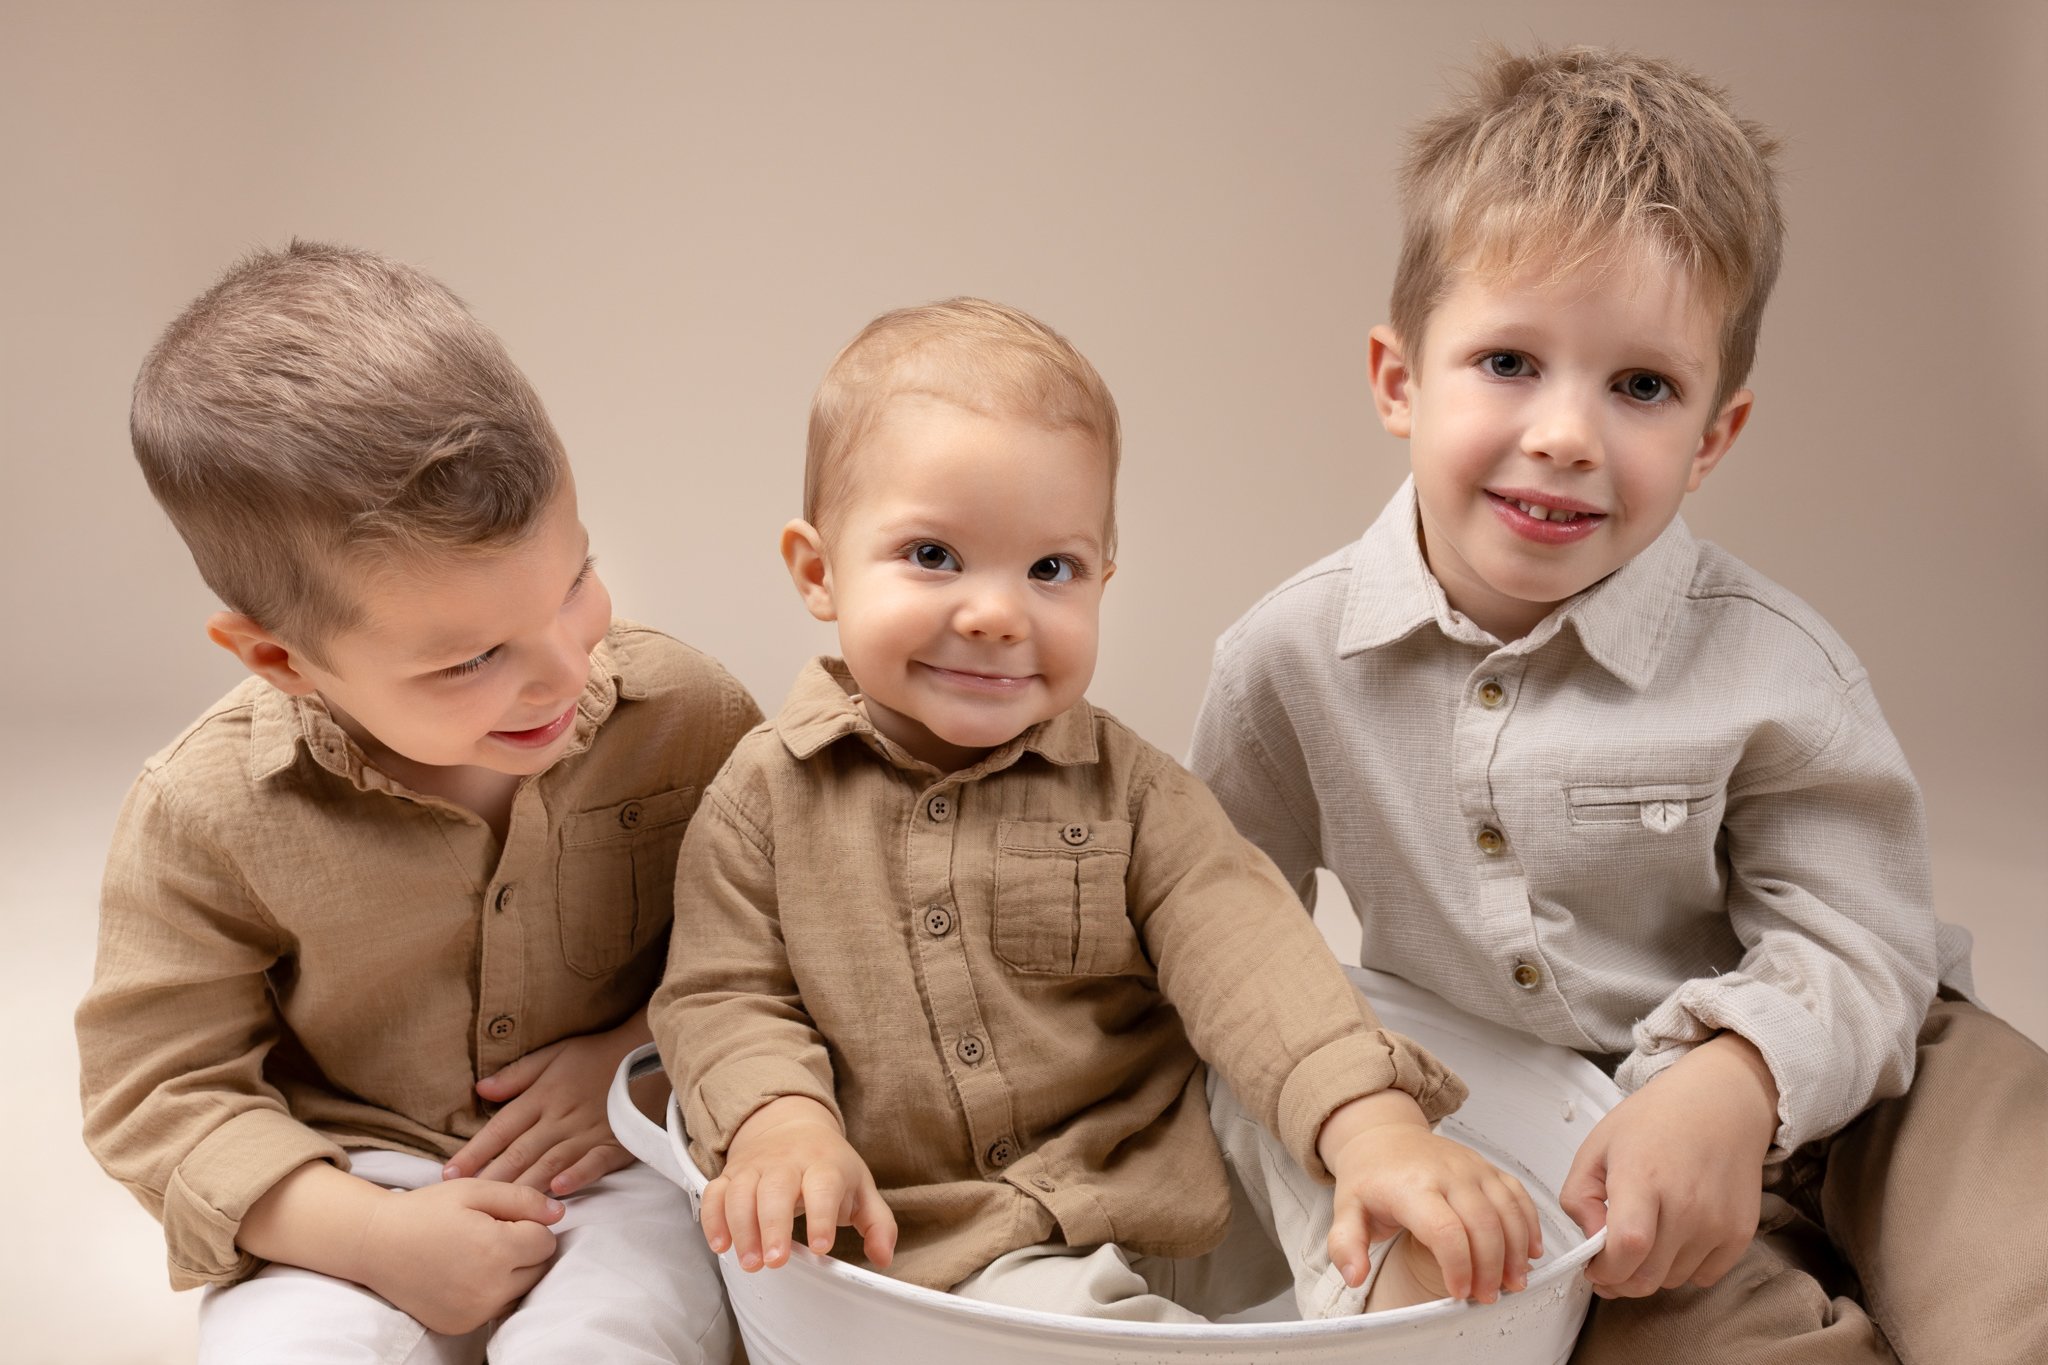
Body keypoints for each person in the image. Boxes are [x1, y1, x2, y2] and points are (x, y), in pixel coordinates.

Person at [1188, 45, 2048, 1362]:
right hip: (1576, 1142)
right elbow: (1230, 942)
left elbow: (1860, 936)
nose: (1569, 433)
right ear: (1399, 379)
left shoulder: (1770, 665)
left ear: (1713, 436)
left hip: (1880, 1068)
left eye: (1640, 386)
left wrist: (1741, 1075)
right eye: (1509, 362)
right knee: (1666, 1338)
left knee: (2016, 1270)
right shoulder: (1290, 658)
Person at [650, 297, 1543, 1324]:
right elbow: (723, 997)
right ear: (818, 571)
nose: (995, 613)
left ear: (1101, 581)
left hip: (1174, 1185)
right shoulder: (763, 803)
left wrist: (1372, 1126)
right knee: (1068, 1328)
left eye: (1050, 570)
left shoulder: (1131, 791)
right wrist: (781, 1126)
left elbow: (1247, 951)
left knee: (1273, 1100)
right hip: (951, 1243)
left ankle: (1393, 1281)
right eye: (932, 556)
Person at [76, 242, 757, 1363]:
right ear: (281, 660)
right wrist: (372, 1237)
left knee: (621, 1337)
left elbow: (777, 939)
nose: (560, 671)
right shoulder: (203, 814)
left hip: (628, 1155)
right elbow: (159, 1091)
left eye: (575, 581)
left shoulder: (687, 716)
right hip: (343, 1180)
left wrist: (640, 1056)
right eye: (472, 658)